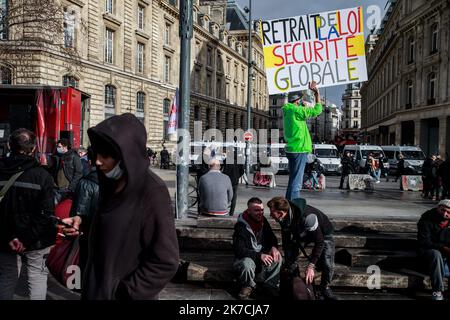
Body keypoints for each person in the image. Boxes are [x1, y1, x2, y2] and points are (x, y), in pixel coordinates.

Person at [62, 113, 179, 300]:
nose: (98, 162)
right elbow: (118, 229)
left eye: (106, 155)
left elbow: (166, 261)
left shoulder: (152, 191)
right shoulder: (111, 182)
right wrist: (82, 224)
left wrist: (125, 293)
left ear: (127, 156)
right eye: (96, 154)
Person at [0, 128, 56, 300]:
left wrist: (12, 236)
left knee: (7, 277)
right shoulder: (42, 176)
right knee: (37, 277)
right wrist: (26, 238)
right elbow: (46, 213)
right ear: (33, 149)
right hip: (36, 239)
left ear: (9, 145)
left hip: (5, 236)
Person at [267, 196, 337, 300]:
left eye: (272, 213)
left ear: (281, 213)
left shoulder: (308, 216)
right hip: (300, 231)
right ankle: (296, 280)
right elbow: (286, 240)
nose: (270, 215)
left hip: (322, 233)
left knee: (328, 262)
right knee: (290, 256)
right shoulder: (282, 218)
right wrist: (289, 258)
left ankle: (325, 287)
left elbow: (319, 241)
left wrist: (311, 266)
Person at [232, 197, 281, 300]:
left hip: (261, 256)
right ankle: (248, 286)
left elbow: (272, 238)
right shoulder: (241, 226)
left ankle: (270, 286)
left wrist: (273, 247)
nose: (260, 213)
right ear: (249, 211)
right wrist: (259, 255)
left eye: (262, 210)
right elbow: (239, 250)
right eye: (257, 210)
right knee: (247, 264)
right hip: (246, 257)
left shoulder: (263, 221)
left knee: (278, 257)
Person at [283, 81, 322, 200]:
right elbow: (317, 110)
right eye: (300, 100)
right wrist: (317, 94)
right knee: (297, 182)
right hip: (299, 148)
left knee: (293, 179)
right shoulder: (296, 110)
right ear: (297, 101)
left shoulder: (287, 110)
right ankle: (294, 206)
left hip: (292, 148)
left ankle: (288, 205)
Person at [64, 146, 99, 276]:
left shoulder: (86, 183)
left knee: (87, 271)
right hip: (114, 239)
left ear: (89, 162)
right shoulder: (122, 182)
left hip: (89, 235)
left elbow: (78, 213)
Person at [417, 199, 450, 300]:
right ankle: (437, 290)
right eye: (442, 210)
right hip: (429, 253)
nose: (445, 213)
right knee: (436, 254)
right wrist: (443, 248)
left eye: (448, 212)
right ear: (437, 208)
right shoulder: (426, 218)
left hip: (446, 255)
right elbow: (424, 242)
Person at [222, 146, 244, 216]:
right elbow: (242, 171)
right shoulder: (239, 160)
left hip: (227, 181)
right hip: (235, 182)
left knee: (225, 196)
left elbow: (224, 171)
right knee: (234, 198)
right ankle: (231, 213)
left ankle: (224, 210)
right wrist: (237, 176)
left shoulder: (226, 160)